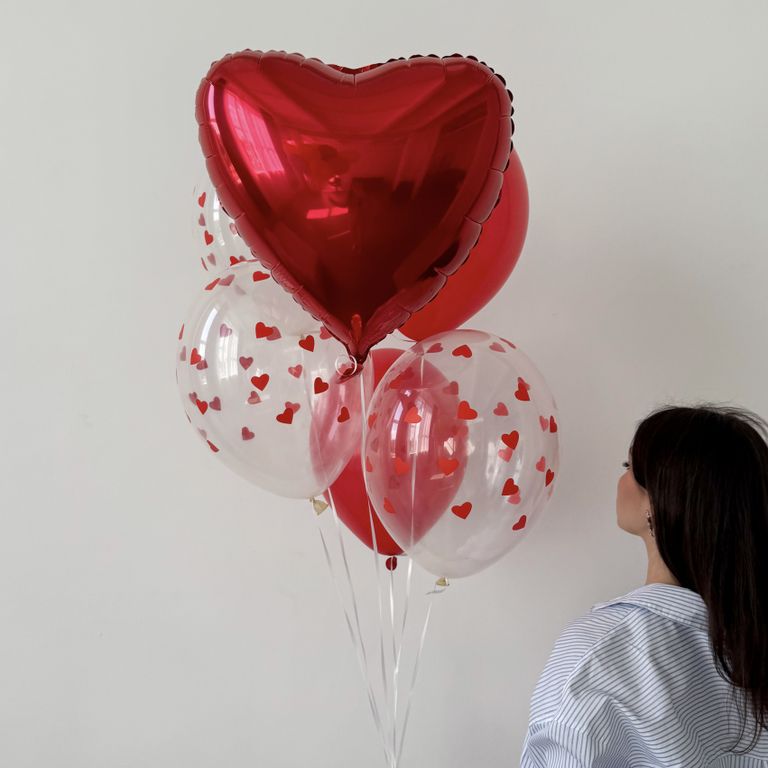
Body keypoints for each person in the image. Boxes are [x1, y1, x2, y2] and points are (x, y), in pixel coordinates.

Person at [519, 403, 768, 766]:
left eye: (628, 467)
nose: (621, 480)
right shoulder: (751, 646)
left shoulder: (598, 650)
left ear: (658, 501)